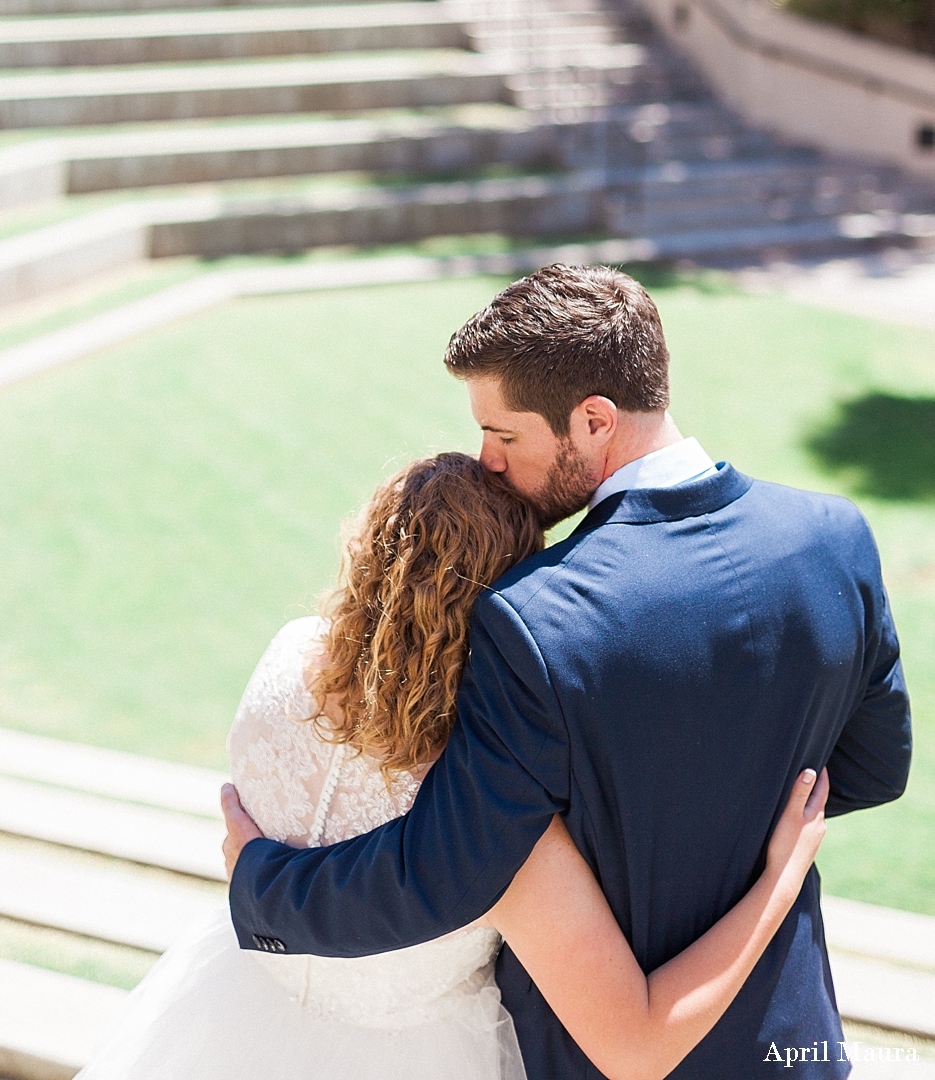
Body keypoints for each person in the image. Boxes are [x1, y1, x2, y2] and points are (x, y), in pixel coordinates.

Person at [225, 263, 912, 1080]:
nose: (485, 461)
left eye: (504, 435)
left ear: (593, 419)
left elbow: (441, 873)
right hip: (793, 1043)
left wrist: (262, 883)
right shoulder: (834, 537)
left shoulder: (532, 620)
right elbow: (874, 767)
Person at [78, 452, 828, 1080]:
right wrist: (778, 881)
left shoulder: (285, 658)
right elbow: (634, 1047)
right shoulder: (497, 813)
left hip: (229, 1022)